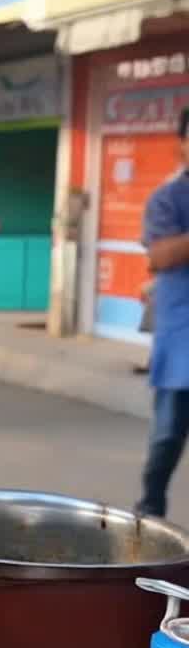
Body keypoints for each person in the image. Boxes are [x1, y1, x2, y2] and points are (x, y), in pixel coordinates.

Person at [136, 109, 189, 516]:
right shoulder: (168, 199)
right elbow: (161, 254)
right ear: (183, 144)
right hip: (181, 343)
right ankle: (149, 516)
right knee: (167, 439)